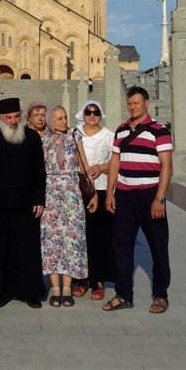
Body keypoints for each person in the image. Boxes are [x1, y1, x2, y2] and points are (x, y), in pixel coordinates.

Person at [103, 87, 173, 314]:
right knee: (122, 247)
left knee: (158, 247)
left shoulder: (159, 131)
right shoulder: (121, 130)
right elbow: (115, 162)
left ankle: (160, 295)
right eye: (129, 103)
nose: (132, 107)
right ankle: (123, 294)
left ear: (146, 103)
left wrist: (160, 199)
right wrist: (110, 192)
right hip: (124, 195)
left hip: (150, 194)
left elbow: (166, 166)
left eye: (136, 102)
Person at [0, 97, 46, 308]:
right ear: (1, 118)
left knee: (26, 250)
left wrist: (39, 199)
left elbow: (39, 171)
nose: (13, 121)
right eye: (9, 117)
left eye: (16, 116)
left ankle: (29, 292)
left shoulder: (32, 138)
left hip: (26, 205)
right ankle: (0, 292)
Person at [41, 106, 97, 307]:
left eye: (65, 117)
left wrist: (94, 193)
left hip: (72, 193)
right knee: (51, 240)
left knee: (71, 240)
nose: (64, 121)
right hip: (50, 194)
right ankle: (55, 288)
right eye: (59, 118)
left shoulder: (75, 136)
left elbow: (84, 164)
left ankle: (67, 287)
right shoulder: (44, 140)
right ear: (51, 120)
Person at [72, 101, 114, 300]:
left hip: (101, 188)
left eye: (95, 112)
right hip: (78, 190)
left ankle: (98, 280)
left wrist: (101, 168)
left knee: (99, 236)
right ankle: (81, 279)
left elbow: (117, 162)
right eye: (88, 112)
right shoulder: (75, 134)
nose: (91, 116)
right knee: (80, 236)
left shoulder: (108, 135)